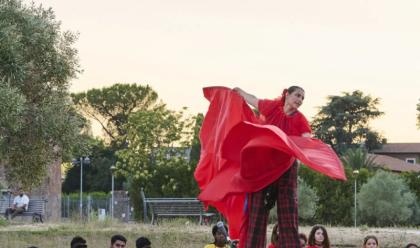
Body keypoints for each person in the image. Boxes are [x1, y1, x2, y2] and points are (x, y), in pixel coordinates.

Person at [234, 86, 311, 248]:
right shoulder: (272, 107)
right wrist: (240, 92)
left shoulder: (301, 120)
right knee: (257, 213)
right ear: (287, 94)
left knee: (288, 213)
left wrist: (316, 150)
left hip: (286, 168)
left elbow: (306, 141)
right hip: (263, 167)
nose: (300, 100)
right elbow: (254, 100)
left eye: (303, 98)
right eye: (297, 95)